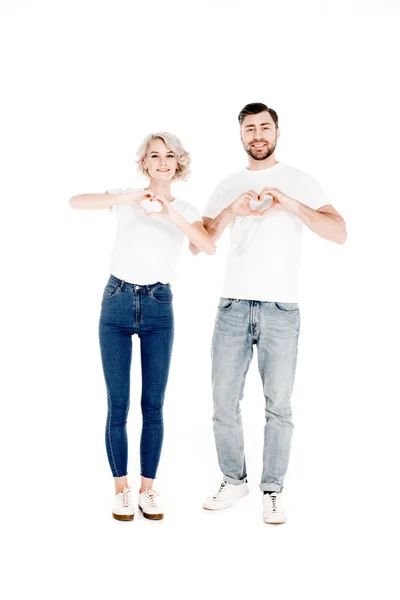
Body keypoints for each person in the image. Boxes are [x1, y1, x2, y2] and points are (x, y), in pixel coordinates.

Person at [191, 103, 347, 524]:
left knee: (279, 405)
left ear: (277, 132)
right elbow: (198, 243)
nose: (257, 134)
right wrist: (231, 212)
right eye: (249, 128)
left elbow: (338, 233)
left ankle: (272, 489)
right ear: (240, 135)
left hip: (281, 307)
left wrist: (291, 204)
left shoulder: (300, 180)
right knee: (224, 401)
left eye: (264, 127)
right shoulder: (227, 185)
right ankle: (233, 480)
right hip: (232, 306)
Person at [69, 132, 215, 521]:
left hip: (158, 306)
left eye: (170, 156)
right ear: (145, 162)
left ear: (178, 163)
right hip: (116, 301)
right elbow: (75, 202)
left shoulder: (183, 206)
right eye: (155, 155)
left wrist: (172, 215)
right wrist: (127, 199)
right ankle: (121, 489)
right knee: (117, 405)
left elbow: (206, 245)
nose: (163, 162)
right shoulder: (126, 198)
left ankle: (148, 490)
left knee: (153, 405)